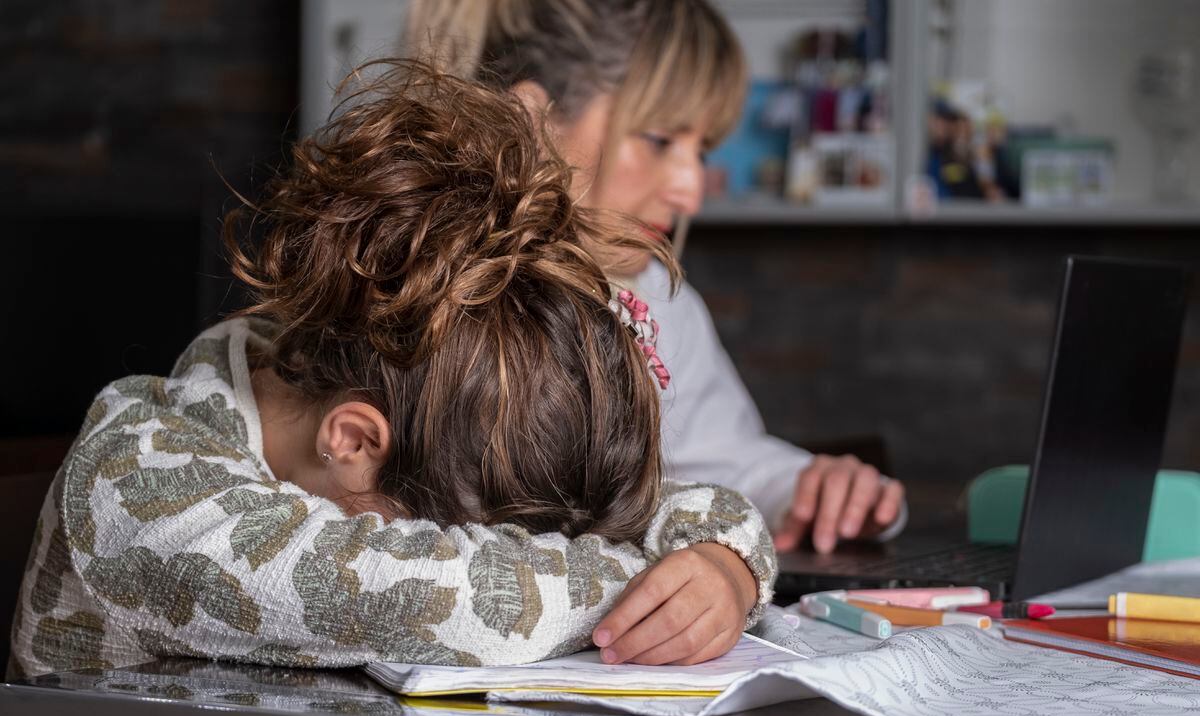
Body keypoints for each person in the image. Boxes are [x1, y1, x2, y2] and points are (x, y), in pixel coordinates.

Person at [8, 63, 775, 679]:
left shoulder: (371, 398)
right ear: (355, 441)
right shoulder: (145, 491)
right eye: (472, 538)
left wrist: (720, 565)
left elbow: (693, 505)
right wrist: (637, 588)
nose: (490, 554)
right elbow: (467, 601)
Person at [404, 0, 908, 555]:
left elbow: (722, 458)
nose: (690, 191)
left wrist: (814, 487)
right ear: (530, 117)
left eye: (702, 150)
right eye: (661, 140)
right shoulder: (410, 284)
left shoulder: (657, 300)